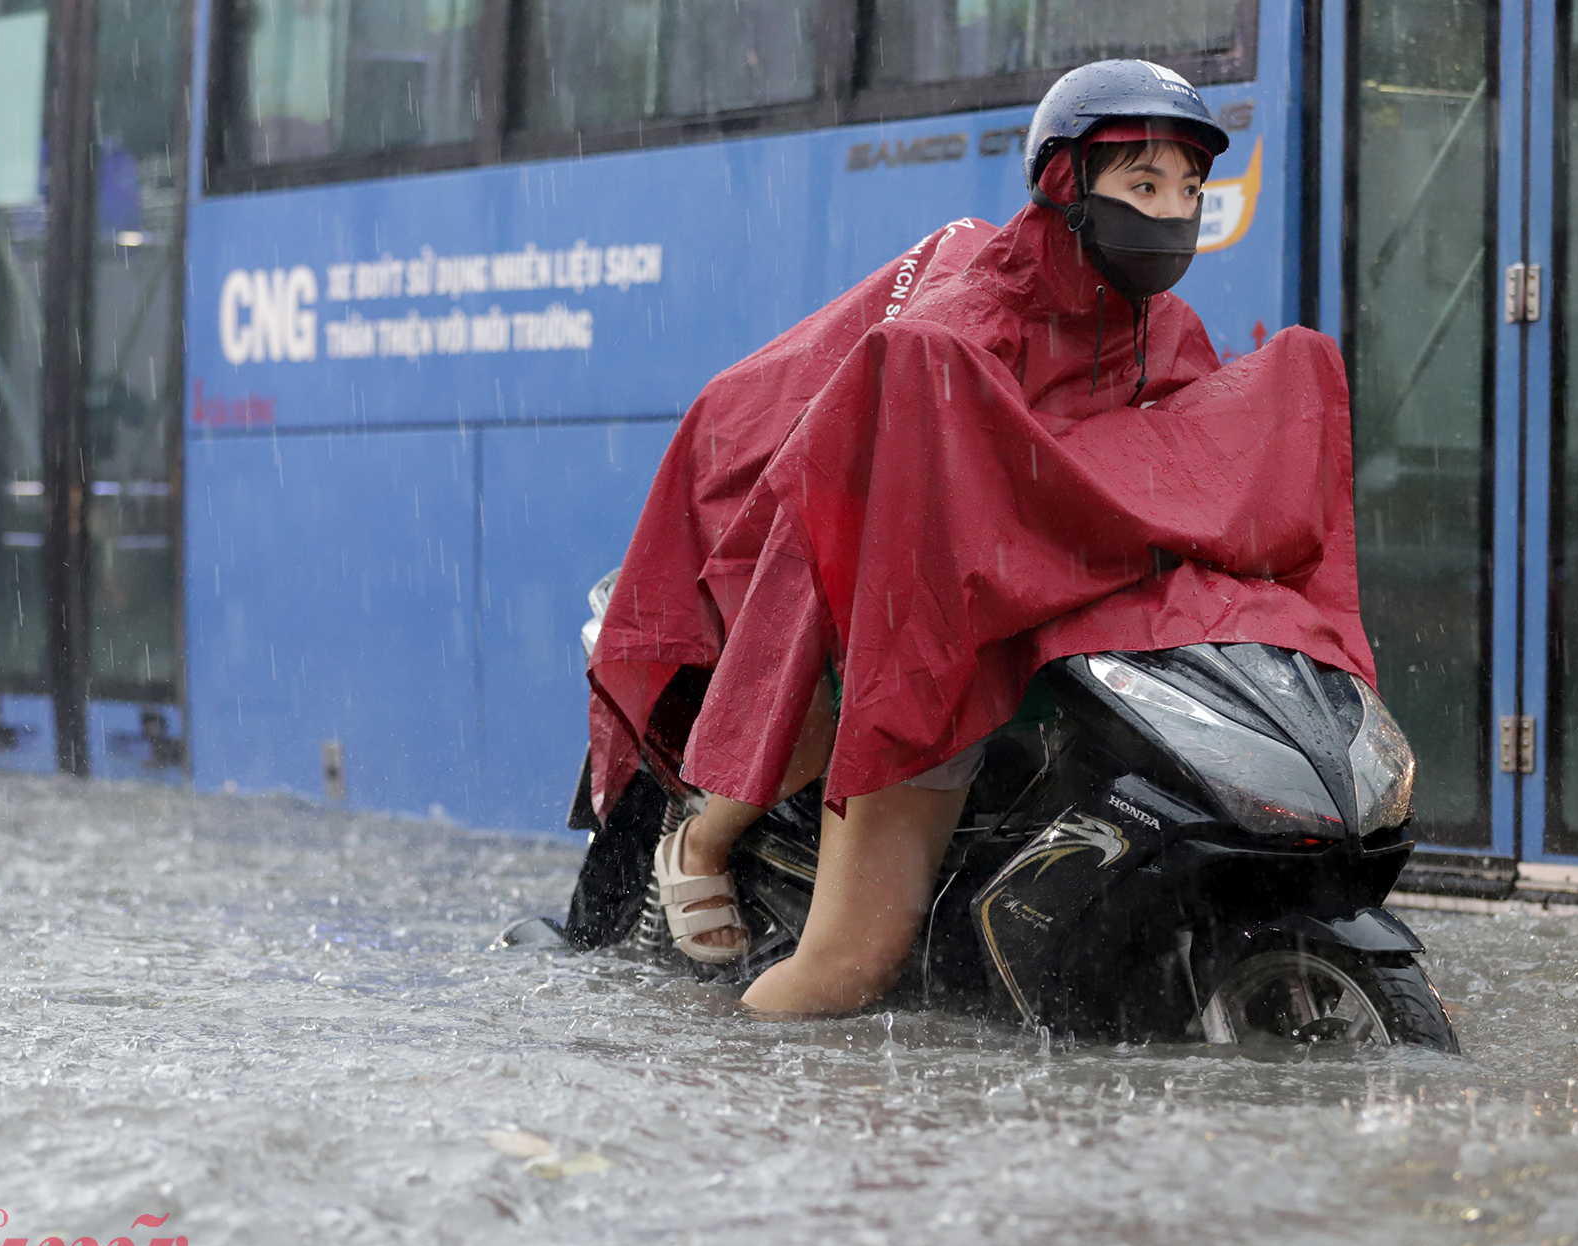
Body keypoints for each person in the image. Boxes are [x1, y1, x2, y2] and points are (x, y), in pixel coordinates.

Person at [586, 61, 1371, 1015]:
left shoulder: (1165, 329)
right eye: (1144, 186)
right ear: (1065, 187)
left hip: (1056, 651)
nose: (1172, 214)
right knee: (849, 969)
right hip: (926, 643)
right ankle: (718, 1044)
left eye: (1190, 190)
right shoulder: (959, 333)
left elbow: (1187, 482)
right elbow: (873, 542)